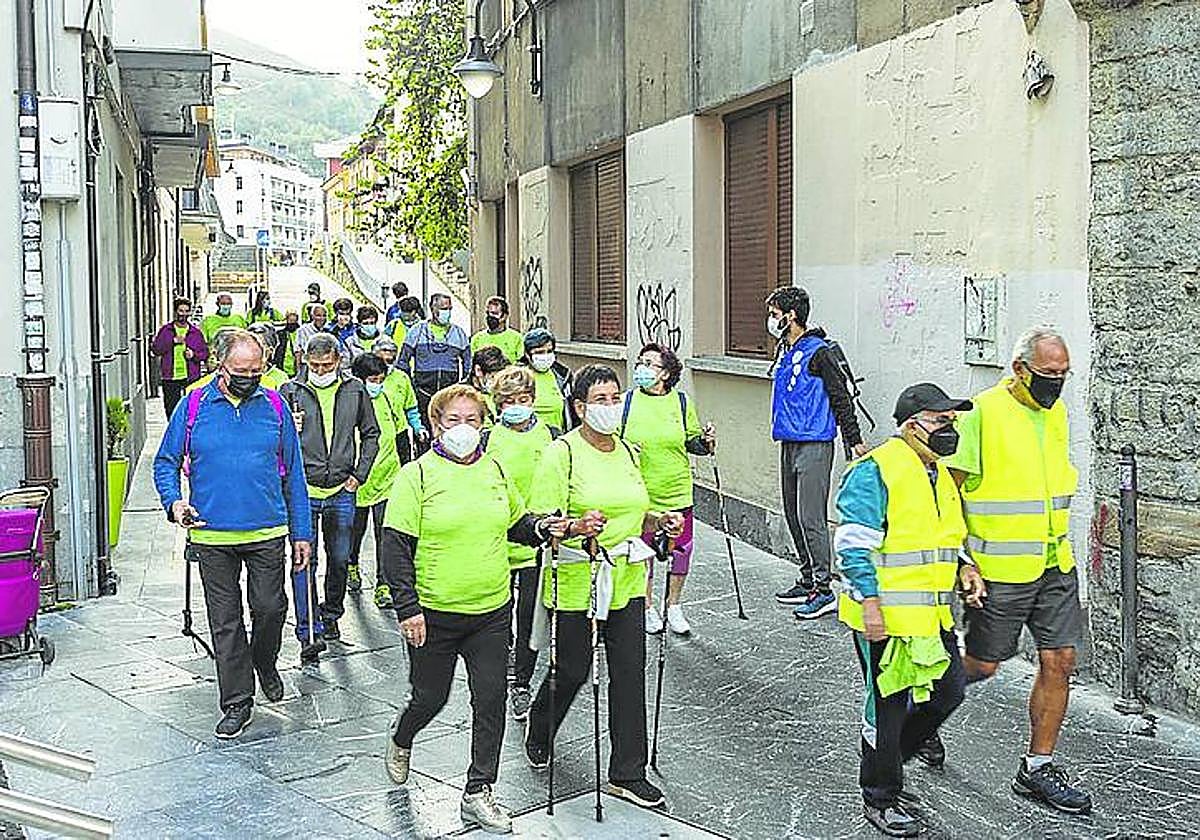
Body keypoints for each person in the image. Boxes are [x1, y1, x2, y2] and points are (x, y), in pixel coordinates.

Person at [378, 384, 570, 834]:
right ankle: (403, 734)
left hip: (490, 611)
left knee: (491, 699)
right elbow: (394, 548)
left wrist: (543, 527)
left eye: (472, 420)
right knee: (431, 697)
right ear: (435, 425)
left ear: (484, 425)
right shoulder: (416, 477)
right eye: (453, 421)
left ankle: (478, 791)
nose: (463, 429)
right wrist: (408, 609)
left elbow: (517, 524)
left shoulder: (496, 470)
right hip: (433, 613)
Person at [944, 326, 1092, 815]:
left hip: (1054, 563)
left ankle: (1037, 767)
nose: (1058, 383)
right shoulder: (982, 413)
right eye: (1049, 374)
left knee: (1061, 660)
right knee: (984, 666)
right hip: (999, 569)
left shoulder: (1057, 412)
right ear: (1020, 369)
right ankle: (920, 712)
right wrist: (963, 561)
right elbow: (948, 491)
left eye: (1064, 374)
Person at [523, 363, 684, 811]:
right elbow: (542, 520)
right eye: (600, 400)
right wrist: (575, 525)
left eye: (616, 398)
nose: (611, 407)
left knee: (630, 672)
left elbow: (638, 507)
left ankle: (627, 772)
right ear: (578, 408)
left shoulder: (629, 452)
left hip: (628, 579)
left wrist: (659, 521)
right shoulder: (562, 454)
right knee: (572, 669)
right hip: (578, 581)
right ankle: (541, 726)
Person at [836, 383, 983, 838]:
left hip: (930, 615)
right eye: (942, 421)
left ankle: (886, 756)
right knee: (890, 706)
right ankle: (880, 796)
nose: (950, 430)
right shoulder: (875, 470)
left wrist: (965, 567)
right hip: (886, 616)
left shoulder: (938, 472)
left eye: (953, 422)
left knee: (949, 692)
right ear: (911, 424)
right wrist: (871, 605)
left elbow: (943, 535)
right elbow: (851, 545)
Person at [152, 329, 312, 739]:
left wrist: (302, 533)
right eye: (242, 370)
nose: (250, 377)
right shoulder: (192, 407)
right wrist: (175, 504)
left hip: (267, 530)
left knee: (272, 609)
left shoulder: (275, 405)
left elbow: (294, 474)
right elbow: (165, 463)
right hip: (212, 536)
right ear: (219, 366)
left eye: (258, 370)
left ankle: (264, 660)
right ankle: (238, 701)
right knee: (225, 622)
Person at [766, 286, 869, 619]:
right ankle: (808, 576)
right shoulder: (786, 349)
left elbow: (840, 398)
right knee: (793, 515)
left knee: (811, 517)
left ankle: (824, 590)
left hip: (815, 443)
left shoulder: (819, 352)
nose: (771, 319)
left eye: (775, 313)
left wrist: (853, 440)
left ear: (791, 315)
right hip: (789, 441)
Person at [279, 333, 380, 660]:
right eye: (315, 365)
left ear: (339, 361)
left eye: (327, 364)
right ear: (305, 361)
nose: (321, 370)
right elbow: (274, 441)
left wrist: (358, 476)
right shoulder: (290, 392)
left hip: (341, 489)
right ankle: (308, 631)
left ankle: (332, 611)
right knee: (304, 558)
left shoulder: (355, 390)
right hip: (303, 491)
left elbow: (371, 434)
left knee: (339, 557)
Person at [480, 366, 561, 721]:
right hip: (496, 539)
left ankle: (522, 682)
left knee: (530, 614)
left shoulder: (552, 436)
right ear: (498, 404)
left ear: (533, 400)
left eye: (523, 399)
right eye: (509, 401)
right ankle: (500, 666)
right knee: (498, 613)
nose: (517, 406)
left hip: (537, 541)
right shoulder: (485, 440)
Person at [619, 343, 715, 636]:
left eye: (650, 364)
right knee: (643, 552)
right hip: (641, 493)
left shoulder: (682, 402)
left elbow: (692, 441)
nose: (642, 369)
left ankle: (674, 606)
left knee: (680, 551)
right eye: (641, 362)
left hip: (676, 490)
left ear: (666, 373)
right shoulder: (626, 402)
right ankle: (648, 607)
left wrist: (706, 442)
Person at [346, 352, 424, 609]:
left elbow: (401, 435)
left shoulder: (389, 398)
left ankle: (383, 583)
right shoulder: (350, 402)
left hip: (388, 478)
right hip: (356, 481)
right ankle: (351, 564)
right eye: (372, 379)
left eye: (381, 378)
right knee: (354, 531)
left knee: (385, 534)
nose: (377, 384)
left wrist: (405, 471)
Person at [398, 293, 471, 433]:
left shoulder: (459, 333)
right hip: (423, 393)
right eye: (444, 308)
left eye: (450, 308)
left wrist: (463, 385)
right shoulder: (417, 331)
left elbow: (468, 363)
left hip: (449, 395)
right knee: (425, 432)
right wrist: (410, 386)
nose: (447, 312)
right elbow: (403, 361)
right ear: (433, 309)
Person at [151, 297, 208, 417]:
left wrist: (193, 355)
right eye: (181, 311)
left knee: (192, 409)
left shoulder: (195, 332)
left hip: (191, 377)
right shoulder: (166, 330)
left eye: (186, 311)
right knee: (171, 410)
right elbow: (156, 350)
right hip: (170, 377)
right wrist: (172, 341)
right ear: (175, 311)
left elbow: (204, 353)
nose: (183, 314)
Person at [374, 336, 426, 466]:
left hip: (399, 435)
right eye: (382, 361)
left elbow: (411, 408)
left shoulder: (402, 378)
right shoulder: (364, 378)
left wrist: (418, 428)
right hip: (374, 434)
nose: (386, 364)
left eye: (390, 360)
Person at [520, 327, 575, 431]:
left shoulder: (563, 375)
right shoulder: (517, 377)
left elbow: (571, 410)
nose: (545, 356)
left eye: (549, 351)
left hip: (557, 439)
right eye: (539, 352)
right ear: (527, 355)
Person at [470, 296, 524, 363]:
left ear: (504, 316)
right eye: (488, 313)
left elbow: (521, 363)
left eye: (495, 313)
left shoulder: (516, 338)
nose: (490, 316)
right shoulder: (476, 339)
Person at [468, 345, 509, 426]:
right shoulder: (461, 396)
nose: (498, 383)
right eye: (493, 377)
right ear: (478, 371)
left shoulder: (503, 393)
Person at [247, 323, 289, 390]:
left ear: (270, 351)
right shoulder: (238, 374)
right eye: (248, 344)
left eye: (260, 345)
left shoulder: (280, 378)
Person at [296, 303, 330, 369]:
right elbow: (298, 351)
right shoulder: (303, 330)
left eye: (324, 315)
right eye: (318, 315)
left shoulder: (329, 330)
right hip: (307, 364)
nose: (322, 318)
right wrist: (298, 368)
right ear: (312, 316)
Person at [277, 311, 301, 377]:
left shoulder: (301, 333)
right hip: (283, 366)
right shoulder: (281, 334)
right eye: (290, 320)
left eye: (294, 321)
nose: (292, 323)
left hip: (297, 367)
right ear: (287, 320)